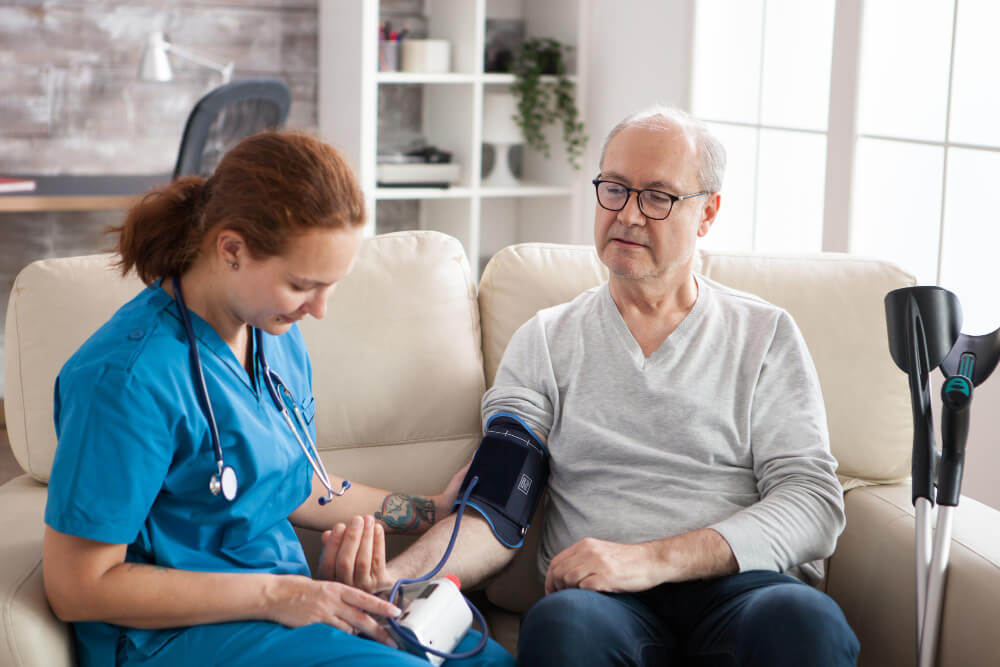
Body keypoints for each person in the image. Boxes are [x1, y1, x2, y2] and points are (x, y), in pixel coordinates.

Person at [322, 107, 861, 666]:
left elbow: (812, 503)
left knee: (808, 623)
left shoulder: (764, 335)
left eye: (657, 197)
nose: (628, 214)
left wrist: (652, 559)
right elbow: (498, 505)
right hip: (602, 605)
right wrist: (391, 582)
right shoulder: (547, 340)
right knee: (563, 627)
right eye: (615, 189)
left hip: (743, 591)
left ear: (708, 213)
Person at [41, 130, 515, 667]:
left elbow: (288, 480)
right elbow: (77, 586)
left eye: (332, 285)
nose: (320, 309)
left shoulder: (270, 334)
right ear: (232, 250)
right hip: (173, 638)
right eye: (302, 284)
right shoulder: (124, 381)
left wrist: (431, 511)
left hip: (286, 610)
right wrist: (284, 596)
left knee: (486, 661)